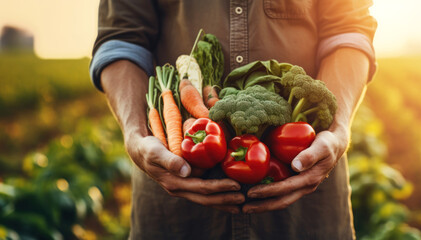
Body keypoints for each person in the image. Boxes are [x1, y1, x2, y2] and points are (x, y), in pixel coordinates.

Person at [89, 0, 377, 239]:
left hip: (306, 214)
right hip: (176, 212)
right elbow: (121, 38)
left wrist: (337, 128)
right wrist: (135, 132)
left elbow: (349, 31)